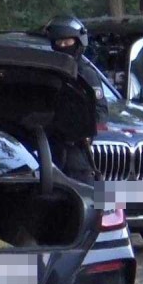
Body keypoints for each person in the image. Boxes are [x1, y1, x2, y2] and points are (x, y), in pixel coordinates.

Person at [42, 16, 98, 183]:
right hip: (47, 151)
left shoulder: (86, 74)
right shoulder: (43, 73)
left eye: (68, 42)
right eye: (59, 43)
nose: (64, 47)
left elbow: (100, 112)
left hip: (79, 153)